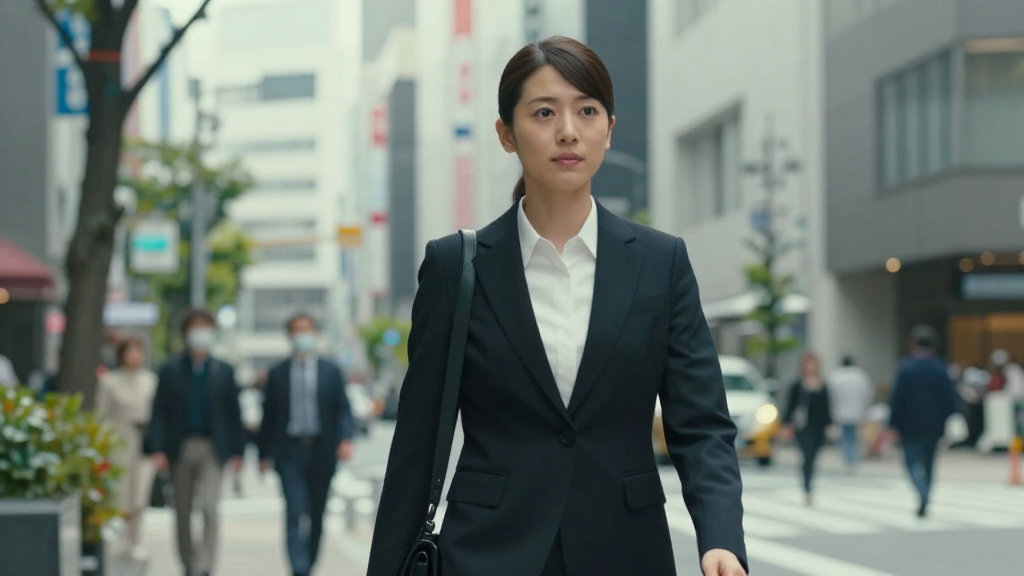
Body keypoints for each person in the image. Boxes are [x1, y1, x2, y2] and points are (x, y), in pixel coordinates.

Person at [367, 36, 747, 576]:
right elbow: (418, 442)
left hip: (626, 550)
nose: (568, 130)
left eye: (587, 111)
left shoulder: (660, 263)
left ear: (609, 130)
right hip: (488, 553)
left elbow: (702, 423)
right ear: (505, 134)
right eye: (544, 112)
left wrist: (722, 538)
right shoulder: (458, 267)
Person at [148, 309, 245, 576]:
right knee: (182, 510)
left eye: (206, 327)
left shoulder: (224, 370)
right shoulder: (170, 370)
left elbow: (234, 414)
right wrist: (157, 448)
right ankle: (188, 563)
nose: (201, 333)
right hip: (180, 448)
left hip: (214, 448)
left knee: (211, 507)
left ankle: (205, 565)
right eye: (196, 327)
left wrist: (238, 452)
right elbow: (159, 411)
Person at [257, 312, 356, 576]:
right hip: (289, 451)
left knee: (316, 513)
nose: (303, 336)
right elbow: (269, 416)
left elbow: (343, 409)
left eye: (307, 330)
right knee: (293, 510)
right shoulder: (277, 373)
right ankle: (298, 568)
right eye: (297, 331)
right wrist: (263, 454)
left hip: (322, 450)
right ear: (289, 336)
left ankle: (309, 563)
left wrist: (346, 439)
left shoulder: (330, 371)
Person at [888, 325, 961, 518]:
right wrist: (951, 416)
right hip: (935, 424)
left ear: (913, 344)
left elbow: (897, 398)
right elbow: (950, 397)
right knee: (930, 462)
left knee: (911, 462)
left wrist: (893, 423)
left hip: (909, 424)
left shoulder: (906, 368)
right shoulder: (940, 367)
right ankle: (926, 491)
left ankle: (921, 491)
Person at [96, 337, 158, 561]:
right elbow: (101, 416)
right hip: (119, 444)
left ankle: (135, 540)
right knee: (119, 494)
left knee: (140, 495)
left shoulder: (151, 381)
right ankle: (118, 540)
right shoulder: (109, 381)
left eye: (138, 350)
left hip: (144, 445)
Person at [781, 352, 833, 505]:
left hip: (819, 426)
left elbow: (826, 407)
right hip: (803, 427)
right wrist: (786, 425)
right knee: (807, 456)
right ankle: (807, 487)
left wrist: (830, 424)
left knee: (814, 457)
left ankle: (809, 483)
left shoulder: (822, 385)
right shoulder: (797, 385)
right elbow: (790, 406)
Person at [827, 355, 874, 471]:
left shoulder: (836, 376)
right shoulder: (860, 375)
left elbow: (830, 395)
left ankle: (848, 458)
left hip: (840, 411)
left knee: (844, 436)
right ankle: (852, 458)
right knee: (852, 436)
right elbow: (868, 393)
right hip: (856, 411)